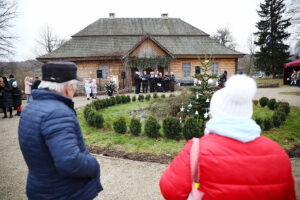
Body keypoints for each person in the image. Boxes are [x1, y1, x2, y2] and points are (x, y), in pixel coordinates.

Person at [159, 75, 295, 200]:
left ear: (215, 112)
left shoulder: (197, 150)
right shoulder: (278, 153)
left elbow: (169, 189)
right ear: (248, 111)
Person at [18, 62, 103, 200]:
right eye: (74, 86)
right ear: (68, 87)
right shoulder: (58, 113)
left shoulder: (31, 107)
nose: (74, 90)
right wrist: (93, 164)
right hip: (63, 192)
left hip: (41, 187)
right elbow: (70, 161)